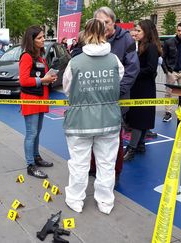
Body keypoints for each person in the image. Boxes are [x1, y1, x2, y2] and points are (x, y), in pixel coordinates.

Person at [63, 18, 124, 214]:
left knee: (79, 163)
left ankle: (75, 200)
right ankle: (105, 202)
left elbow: (67, 89)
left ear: (85, 33)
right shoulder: (114, 60)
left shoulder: (75, 62)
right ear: (105, 33)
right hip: (108, 120)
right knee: (106, 163)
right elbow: (119, 79)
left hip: (80, 122)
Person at [89, 6, 140, 183]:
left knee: (114, 138)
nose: (104, 26)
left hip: (116, 98)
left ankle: (115, 172)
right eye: (100, 23)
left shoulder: (126, 39)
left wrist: (117, 91)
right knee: (94, 133)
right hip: (95, 99)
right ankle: (94, 167)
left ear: (114, 22)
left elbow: (132, 69)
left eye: (107, 22)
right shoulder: (93, 37)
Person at [19, 25, 57, 179]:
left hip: (41, 98)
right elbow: (23, 80)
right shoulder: (26, 56)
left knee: (37, 132)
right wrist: (43, 80)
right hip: (31, 99)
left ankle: (36, 157)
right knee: (31, 133)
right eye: (40, 37)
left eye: (43, 37)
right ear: (32, 40)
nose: (43, 40)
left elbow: (40, 77)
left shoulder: (40, 57)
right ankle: (30, 165)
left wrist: (49, 80)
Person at [124, 20, 162, 161]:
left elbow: (151, 69)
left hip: (144, 88)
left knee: (139, 120)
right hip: (139, 86)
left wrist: (133, 72)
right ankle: (140, 145)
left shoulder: (151, 47)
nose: (136, 33)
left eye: (139, 30)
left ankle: (132, 148)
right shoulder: (141, 45)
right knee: (140, 118)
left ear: (146, 32)